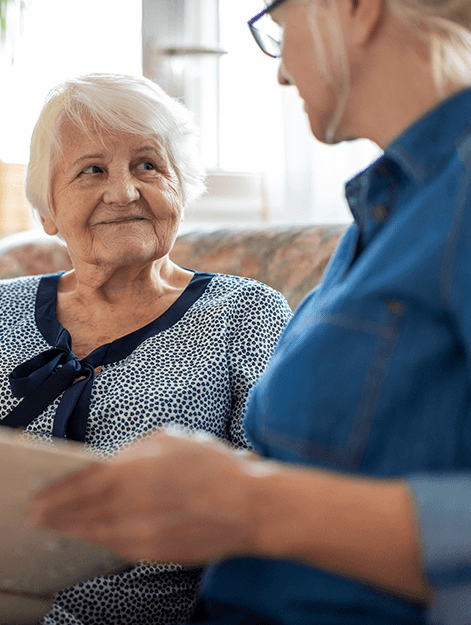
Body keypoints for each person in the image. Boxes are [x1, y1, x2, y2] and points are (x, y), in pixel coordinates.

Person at [28, 1, 471, 624]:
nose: (282, 72)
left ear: (354, 7)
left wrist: (254, 507)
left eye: (280, 28)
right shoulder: (386, 211)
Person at [0, 73, 292, 624]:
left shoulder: (244, 314)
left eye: (148, 165)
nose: (123, 191)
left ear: (182, 189)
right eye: (91, 170)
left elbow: (274, 503)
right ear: (47, 211)